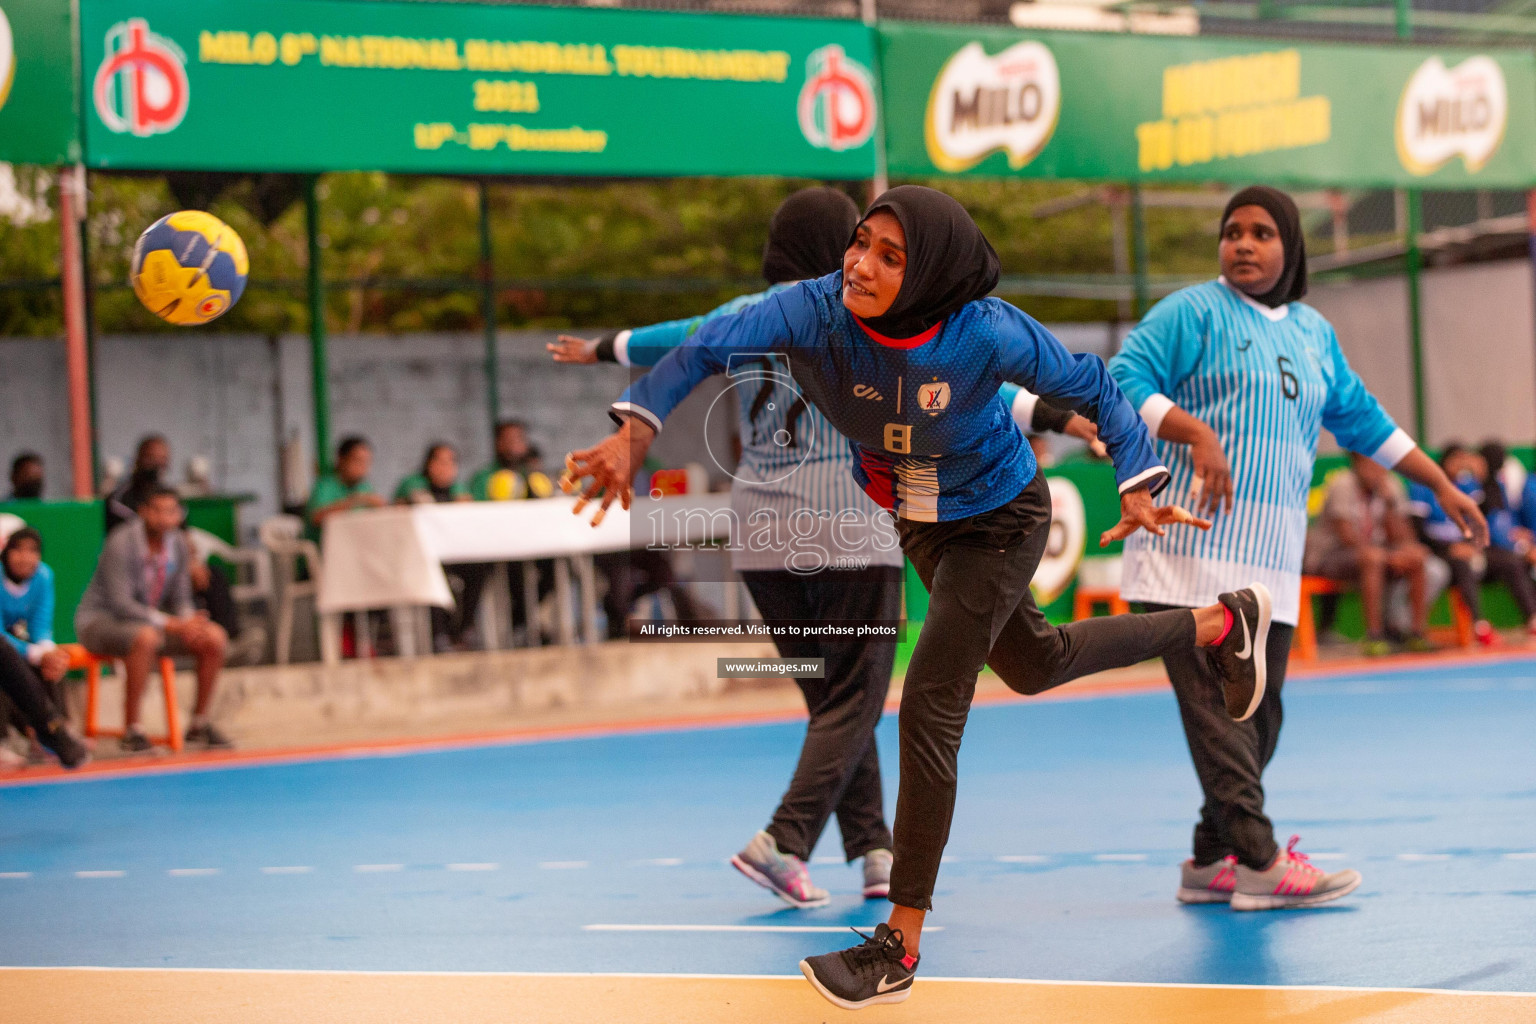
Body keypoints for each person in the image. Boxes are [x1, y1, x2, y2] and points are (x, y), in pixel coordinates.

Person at [563, 185, 1267, 1010]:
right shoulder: (812, 310)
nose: (860, 264)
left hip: (1002, 518)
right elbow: (701, 344)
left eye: (889, 257)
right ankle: (1221, 622)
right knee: (1035, 665)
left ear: (928, 272)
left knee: (929, 704)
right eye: (859, 243)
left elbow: (1094, 386)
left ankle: (898, 944)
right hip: (918, 520)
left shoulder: (982, 330)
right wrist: (635, 427)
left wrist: (1137, 477)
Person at [549, 188, 1104, 907]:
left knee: (836, 703)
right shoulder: (865, 319)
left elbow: (672, 339)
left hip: (757, 530)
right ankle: (783, 840)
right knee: (857, 700)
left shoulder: (750, 315)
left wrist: (598, 348)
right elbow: (974, 389)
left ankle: (875, 850)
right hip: (844, 523)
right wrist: (1059, 412)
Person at [1108, 186, 1487, 916]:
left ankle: (1210, 858)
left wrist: (1442, 485)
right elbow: (1121, 380)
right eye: (1232, 232)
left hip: (1270, 563)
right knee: (1222, 721)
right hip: (1191, 555)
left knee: (1263, 719)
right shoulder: (1190, 313)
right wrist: (1197, 433)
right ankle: (1258, 862)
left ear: (1290, 247)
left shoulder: (1313, 332)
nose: (1243, 244)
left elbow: (1365, 421)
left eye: (1261, 233)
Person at [75, 486, 232, 752]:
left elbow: (182, 598)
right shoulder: (121, 542)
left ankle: (198, 725)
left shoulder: (179, 544)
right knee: (146, 637)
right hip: (101, 623)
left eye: (171, 511)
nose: (164, 518)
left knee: (214, 637)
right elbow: (120, 604)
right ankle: (132, 730)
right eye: (157, 511)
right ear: (143, 512)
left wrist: (189, 621)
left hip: (151, 624)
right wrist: (170, 623)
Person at [1304, 452, 1433, 655]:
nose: (1377, 470)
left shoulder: (1390, 485)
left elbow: (1401, 536)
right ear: (1357, 464)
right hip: (1330, 555)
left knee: (1416, 557)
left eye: (1381, 464)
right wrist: (1389, 557)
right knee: (1372, 559)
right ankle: (1374, 636)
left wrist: (1389, 503)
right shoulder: (1342, 484)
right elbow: (1347, 536)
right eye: (1370, 464)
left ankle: (1416, 633)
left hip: (1375, 554)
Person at [1408, 444, 1536, 643]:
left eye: (1463, 460)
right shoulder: (1422, 488)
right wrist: (1449, 548)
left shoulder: (1467, 485)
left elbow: (1487, 514)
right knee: (1462, 563)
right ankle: (1479, 625)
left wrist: (1483, 478)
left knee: (1510, 561)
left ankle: (1532, 619)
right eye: (1456, 460)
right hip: (1439, 551)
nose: (1460, 465)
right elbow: (1417, 531)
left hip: (1468, 548)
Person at [395, 443, 490, 651]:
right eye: (440, 461)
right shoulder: (414, 485)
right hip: (420, 557)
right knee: (433, 574)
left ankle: (463, 629)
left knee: (479, 567)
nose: (445, 467)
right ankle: (438, 634)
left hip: (454, 553)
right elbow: (398, 510)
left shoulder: (458, 489)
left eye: (451, 462)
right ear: (429, 464)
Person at [1, 528, 69, 719]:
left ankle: (56, 731)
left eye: (32, 551)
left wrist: (47, 651)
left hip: (17, 641)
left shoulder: (44, 576)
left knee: (52, 663)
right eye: (18, 549)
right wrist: (34, 653)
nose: (25, 558)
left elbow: (40, 625)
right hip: (4, 644)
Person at [306, 435, 385, 539]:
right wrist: (355, 500)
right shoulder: (325, 485)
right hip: (327, 549)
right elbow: (316, 518)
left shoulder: (364, 487)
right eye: (357, 461)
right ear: (341, 459)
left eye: (366, 462)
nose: (363, 467)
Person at [470, 420, 553, 501]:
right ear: (497, 444)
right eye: (507, 440)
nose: (512, 446)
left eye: (518, 439)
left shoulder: (533, 477)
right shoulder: (484, 478)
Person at [106, 434, 172, 533]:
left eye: (163, 458)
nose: (157, 464)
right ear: (138, 459)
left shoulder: (169, 495)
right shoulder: (119, 498)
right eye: (151, 457)